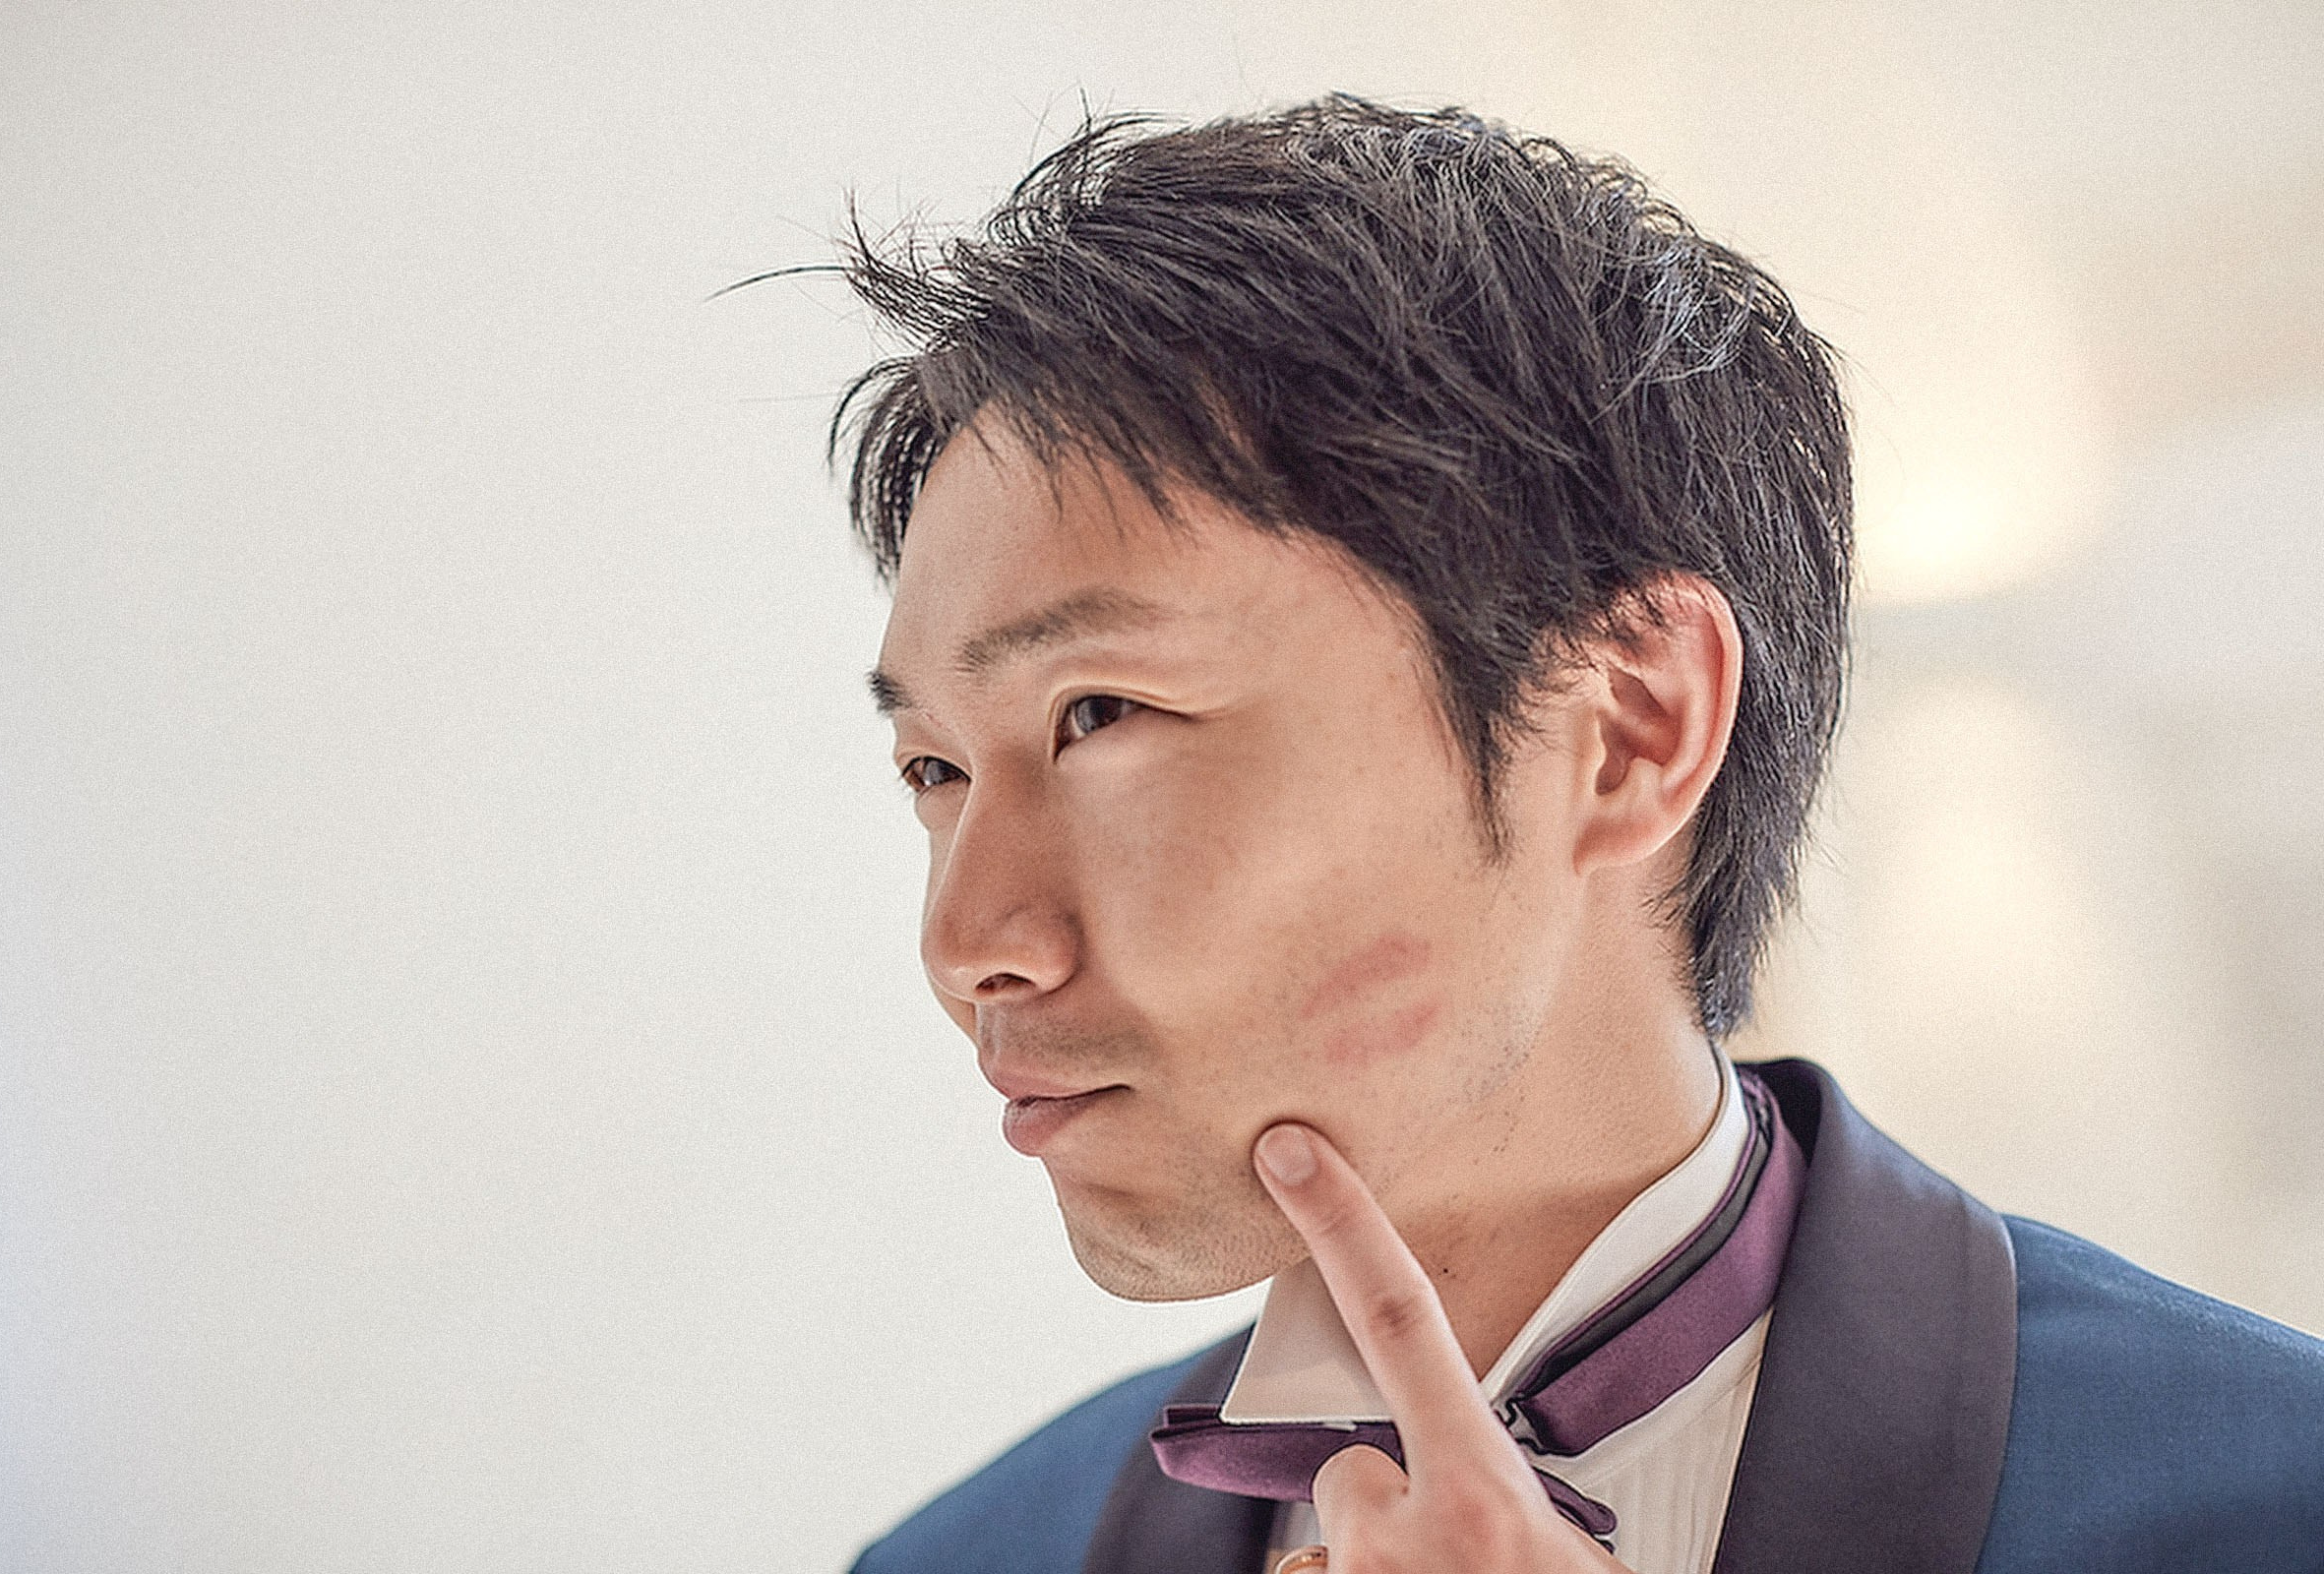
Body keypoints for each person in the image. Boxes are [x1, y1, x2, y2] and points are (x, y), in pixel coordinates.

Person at [822, 96, 2324, 1574]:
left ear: (1628, 728)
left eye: (1099, 715)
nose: (965, 946)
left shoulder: (2273, 1497)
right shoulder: (953, 1561)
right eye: (934, 769)